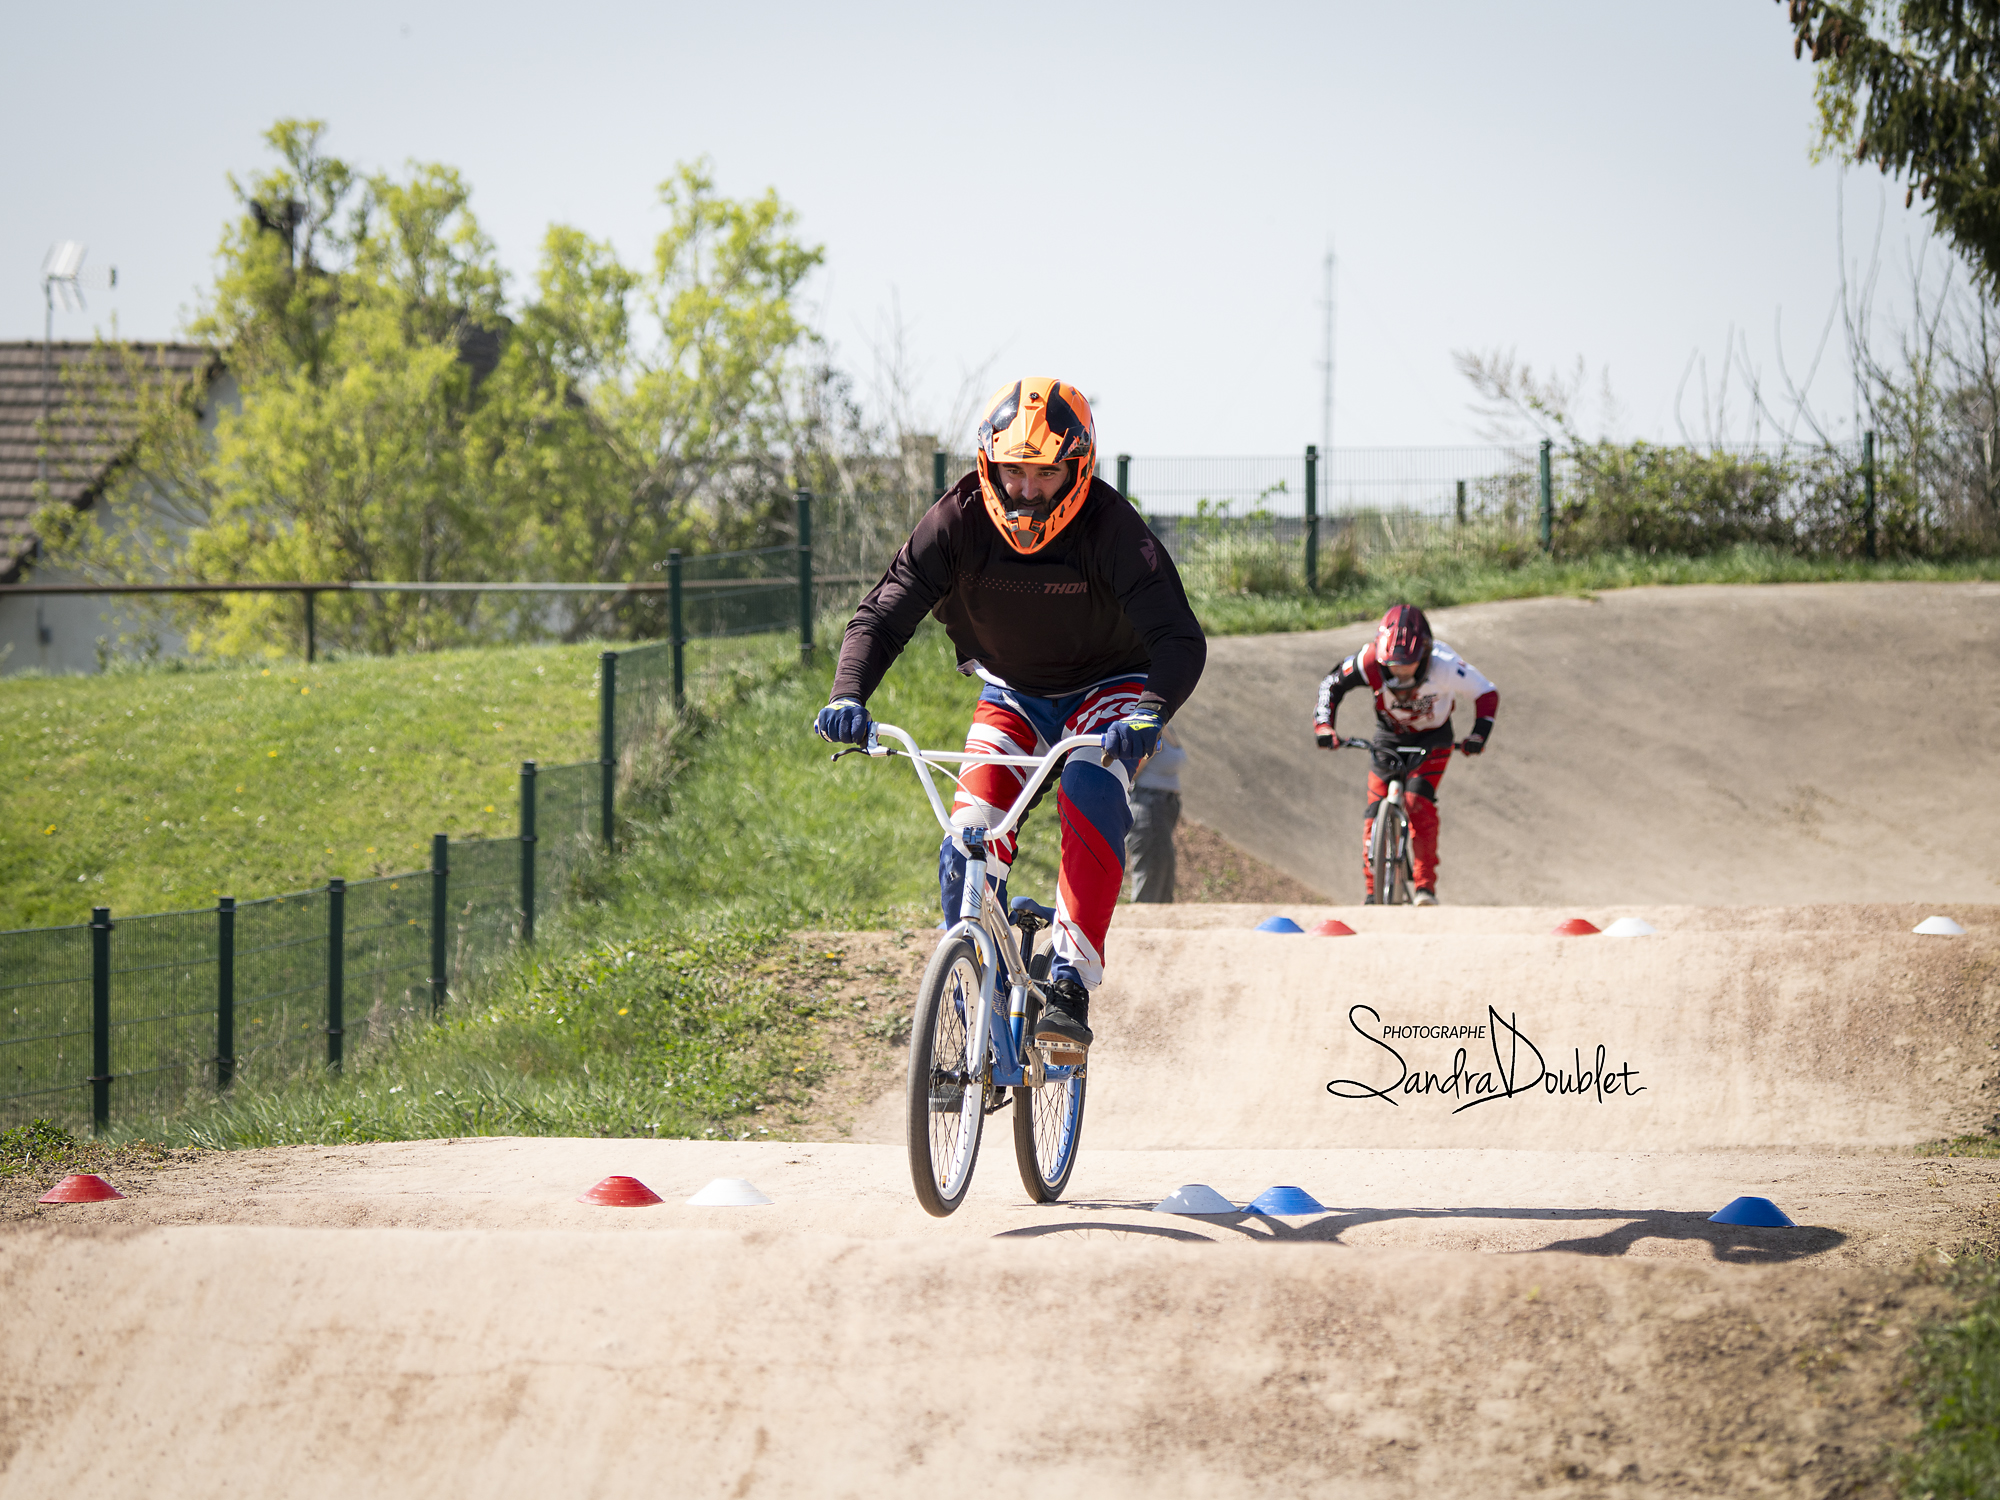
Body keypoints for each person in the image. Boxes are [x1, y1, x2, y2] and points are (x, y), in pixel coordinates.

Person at [814, 377, 1206, 1059]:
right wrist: (849, 695)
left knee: (1090, 786)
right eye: (1013, 471)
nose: (1026, 489)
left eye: (1045, 472)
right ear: (988, 464)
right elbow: (885, 611)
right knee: (967, 837)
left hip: (1109, 690)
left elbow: (1178, 637)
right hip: (1012, 693)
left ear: (1077, 469)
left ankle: (1069, 980)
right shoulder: (957, 519)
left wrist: (1149, 712)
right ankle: (972, 1000)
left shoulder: (1113, 530)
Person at [1312, 603, 1497, 905]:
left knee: (1417, 804)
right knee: (1373, 813)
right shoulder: (1369, 660)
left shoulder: (1446, 665)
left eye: (1407, 664)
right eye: (1392, 665)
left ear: (1424, 654)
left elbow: (1487, 693)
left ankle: (1425, 887)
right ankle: (1372, 892)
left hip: (1434, 738)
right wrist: (1324, 727)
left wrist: (1478, 736)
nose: (1398, 671)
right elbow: (1331, 684)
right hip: (1388, 736)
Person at [1125, 722, 1186, 902]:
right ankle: (1141, 928)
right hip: (1148, 807)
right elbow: (1130, 770)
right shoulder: (1148, 726)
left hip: (1163, 808)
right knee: (1151, 879)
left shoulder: (1167, 725)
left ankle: (1159, 929)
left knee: (1163, 877)